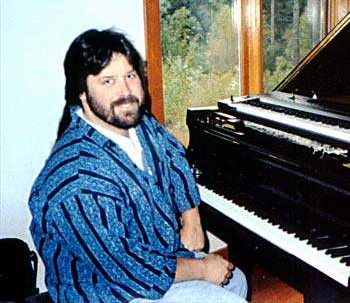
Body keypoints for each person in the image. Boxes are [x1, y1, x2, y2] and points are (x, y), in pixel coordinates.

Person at [29, 29, 248, 303]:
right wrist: (202, 269)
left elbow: (173, 156)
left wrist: (191, 217)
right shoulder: (74, 179)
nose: (126, 92)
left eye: (130, 76)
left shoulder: (139, 123)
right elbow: (127, 269)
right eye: (108, 81)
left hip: (154, 257)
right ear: (82, 93)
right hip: (108, 291)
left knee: (235, 280)